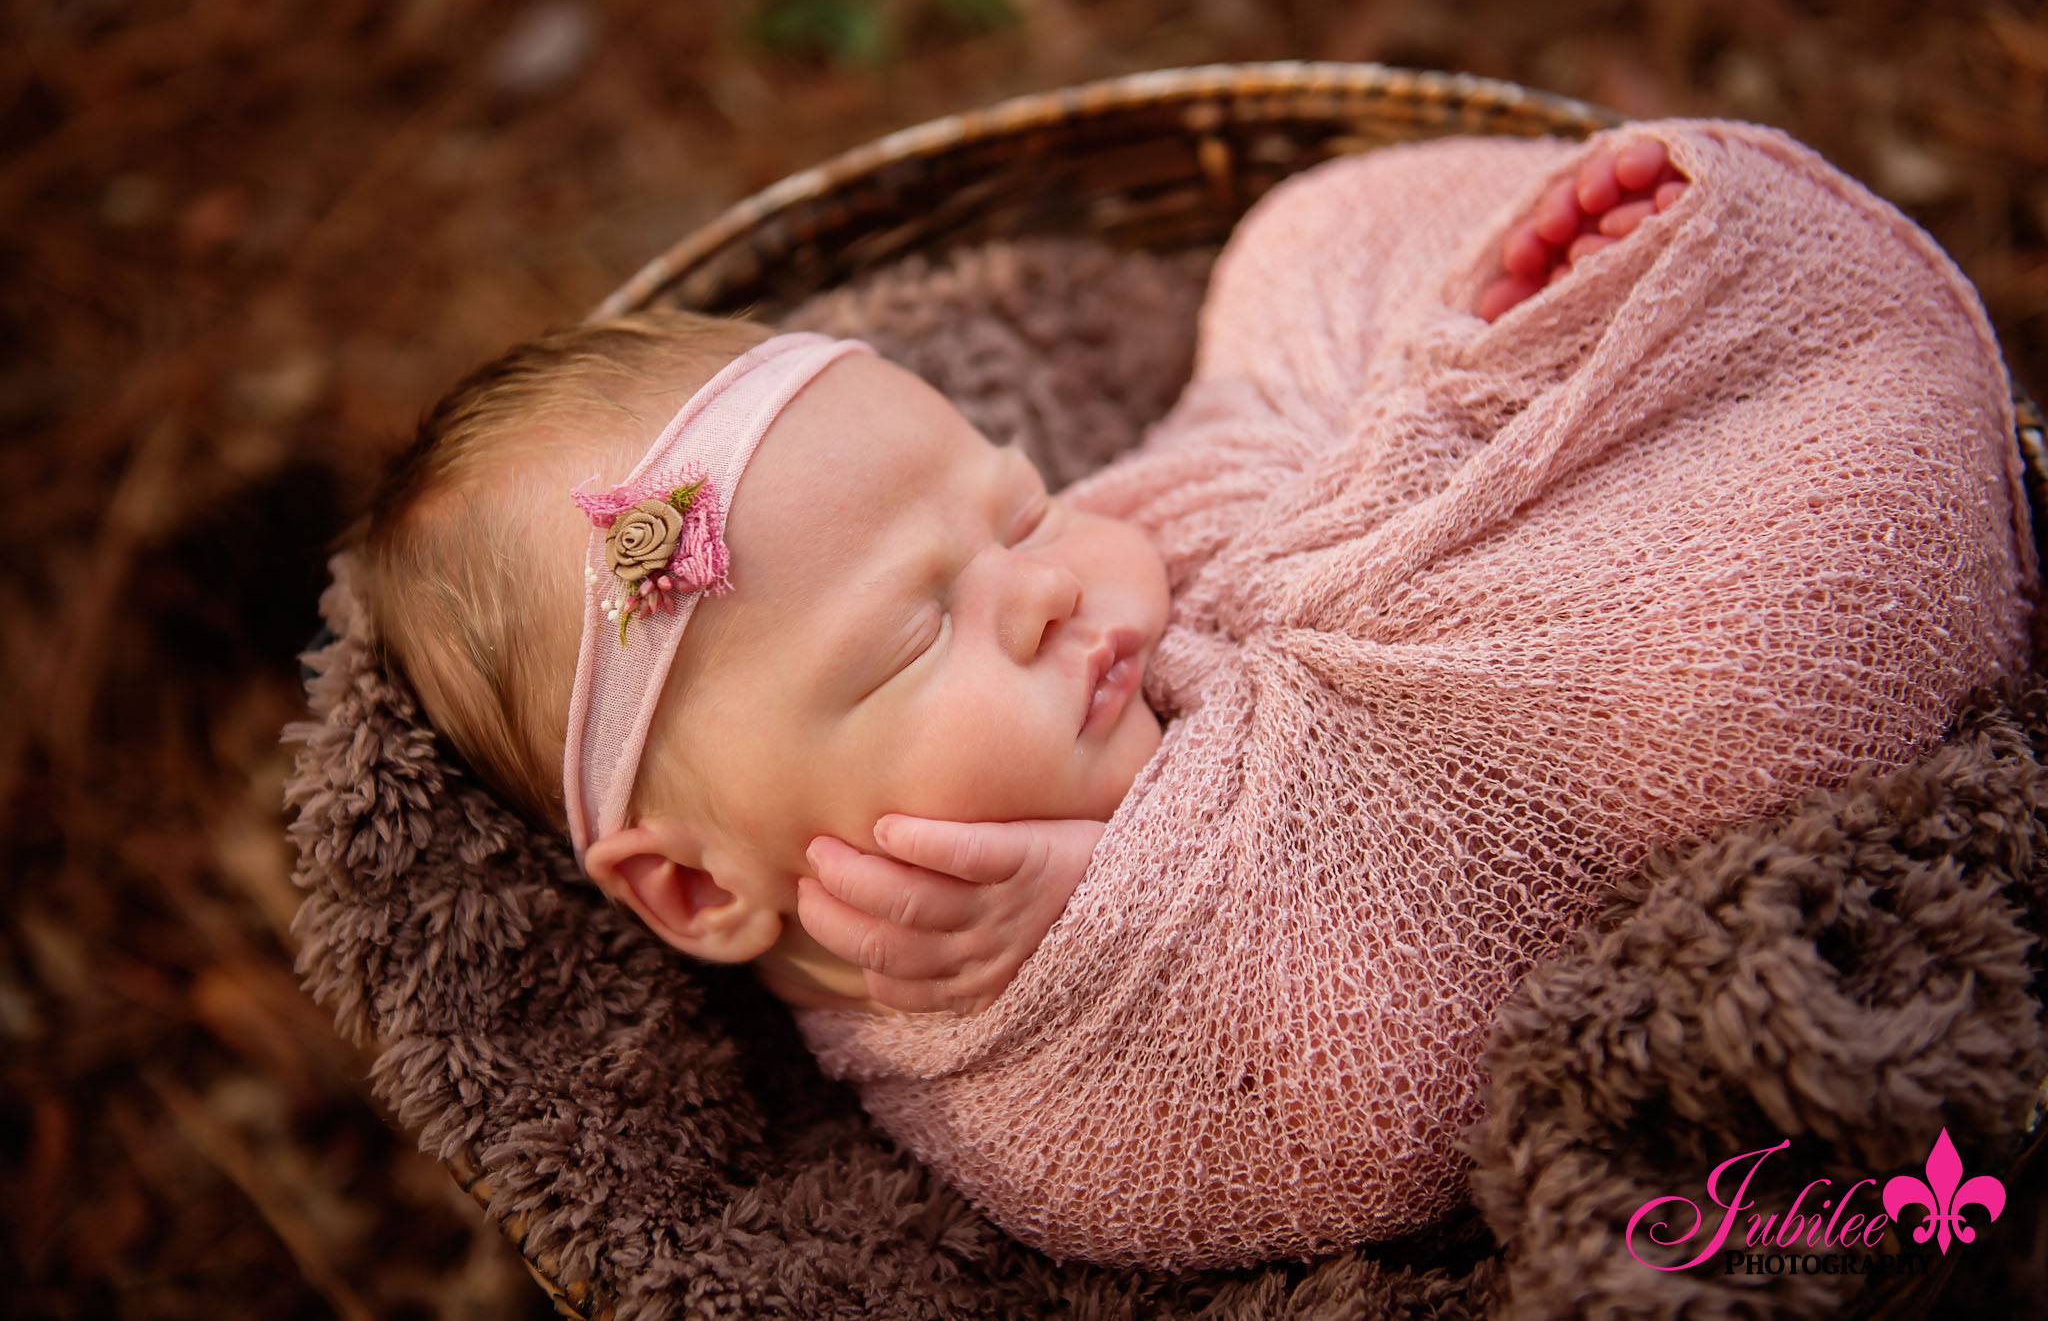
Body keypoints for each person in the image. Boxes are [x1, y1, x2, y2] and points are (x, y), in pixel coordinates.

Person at [357, 120, 2034, 1267]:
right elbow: (1374, 1100)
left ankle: (1581, 362)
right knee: (1707, 676)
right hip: (1377, 857)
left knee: (1303, 262)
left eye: (1012, 500)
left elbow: (1213, 489)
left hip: (1369, 577)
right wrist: (1126, 916)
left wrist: (1458, 365)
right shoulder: (1012, 1072)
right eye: (914, 637)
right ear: (701, 883)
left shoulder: (1068, 598)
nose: (1053, 580)